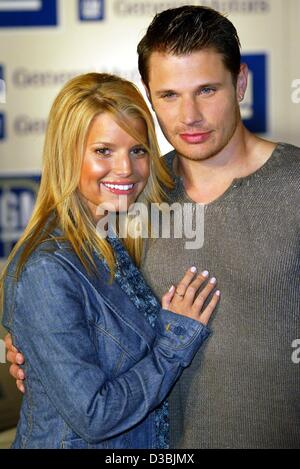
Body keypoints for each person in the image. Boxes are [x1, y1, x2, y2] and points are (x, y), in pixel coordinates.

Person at [6, 5, 300, 448]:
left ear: (240, 82)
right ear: (148, 94)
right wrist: (38, 357)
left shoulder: (293, 187)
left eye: (206, 89)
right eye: (168, 95)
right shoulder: (129, 201)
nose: (190, 116)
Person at [0, 72, 221, 449]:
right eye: (103, 151)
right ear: (66, 155)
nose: (125, 169)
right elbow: (94, 415)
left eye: (138, 150)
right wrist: (175, 341)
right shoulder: (46, 269)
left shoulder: (115, 233)